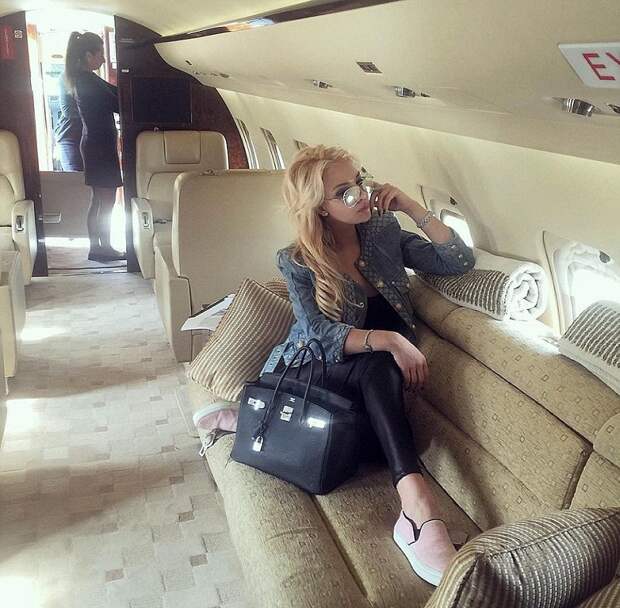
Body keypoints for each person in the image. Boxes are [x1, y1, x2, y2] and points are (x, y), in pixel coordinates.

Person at [260, 145, 476, 586]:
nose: (361, 194)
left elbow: (457, 260)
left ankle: (413, 509)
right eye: (345, 191)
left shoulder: (382, 232)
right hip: (313, 368)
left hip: (368, 387)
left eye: (360, 181)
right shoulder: (297, 260)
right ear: (320, 207)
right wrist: (391, 339)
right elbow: (319, 334)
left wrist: (412, 206)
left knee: (376, 394)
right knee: (378, 364)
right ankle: (417, 511)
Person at [64, 31, 125, 262]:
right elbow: (117, 102)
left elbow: (115, 94)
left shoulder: (87, 78)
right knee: (106, 200)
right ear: (88, 55)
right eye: (100, 54)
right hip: (99, 147)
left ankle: (97, 248)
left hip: (96, 144)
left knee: (99, 199)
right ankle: (103, 248)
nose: (103, 58)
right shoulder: (87, 81)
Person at [53, 74, 83, 171]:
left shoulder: (94, 79)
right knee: (75, 175)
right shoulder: (66, 78)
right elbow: (67, 111)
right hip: (69, 135)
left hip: (86, 136)